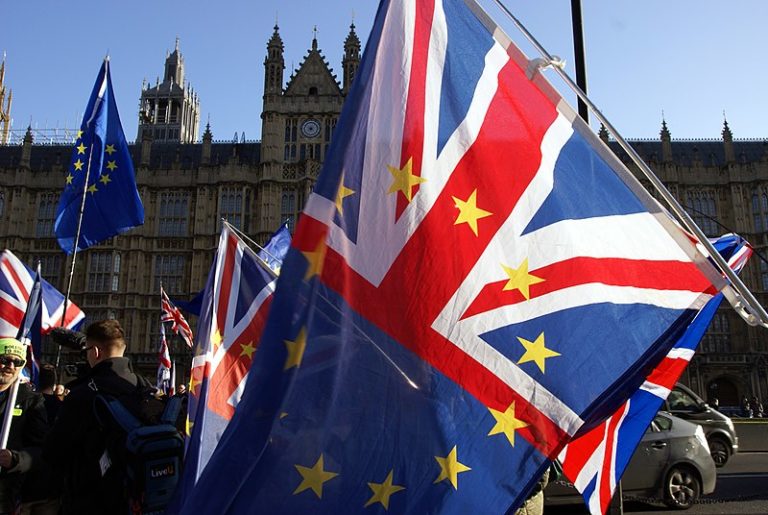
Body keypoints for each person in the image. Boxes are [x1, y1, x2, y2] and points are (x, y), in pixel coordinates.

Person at [43, 319, 157, 515]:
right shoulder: (144, 387)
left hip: (91, 500)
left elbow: (53, 454)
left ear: (95, 352)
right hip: (138, 499)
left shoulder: (83, 393)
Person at [0, 338, 47, 515]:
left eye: (17, 361)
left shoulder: (31, 400)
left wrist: (15, 459)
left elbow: (42, 450)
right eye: (4, 359)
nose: (10, 366)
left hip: (5, 492)